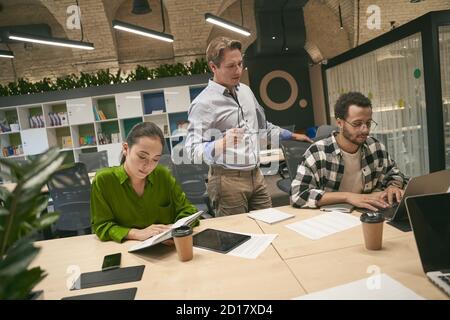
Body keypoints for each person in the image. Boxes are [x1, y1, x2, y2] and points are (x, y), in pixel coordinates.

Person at [185, 36, 312, 216]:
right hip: (227, 180)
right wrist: (221, 144)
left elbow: (262, 126)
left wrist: (291, 136)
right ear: (213, 67)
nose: (238, 70)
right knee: (239, 236)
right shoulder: (203, 104)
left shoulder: (245, 90)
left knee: (268, 225)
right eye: (230, 66)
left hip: (257, 175)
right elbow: (191, 149)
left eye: (240, 64)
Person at [291, 92, 408, 211]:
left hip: (369, 214)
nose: (365, 130)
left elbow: (394, 174)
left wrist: (393, 186)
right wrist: (348, 197)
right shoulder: (317, 152)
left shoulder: (375, 146)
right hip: (332, 219)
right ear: (340, 123)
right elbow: (298, 195)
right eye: (357, 124)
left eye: (368, 123)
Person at [91, 122, 198, 243]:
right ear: (126, 149)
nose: (148, 165)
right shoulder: (104, 180)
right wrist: (135, 233)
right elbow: (101, 225)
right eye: (142, 156)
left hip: (166, 250)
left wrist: (174, 229)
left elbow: (188, 211)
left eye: (155, 159)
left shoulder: (163, 175)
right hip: (126, 250)